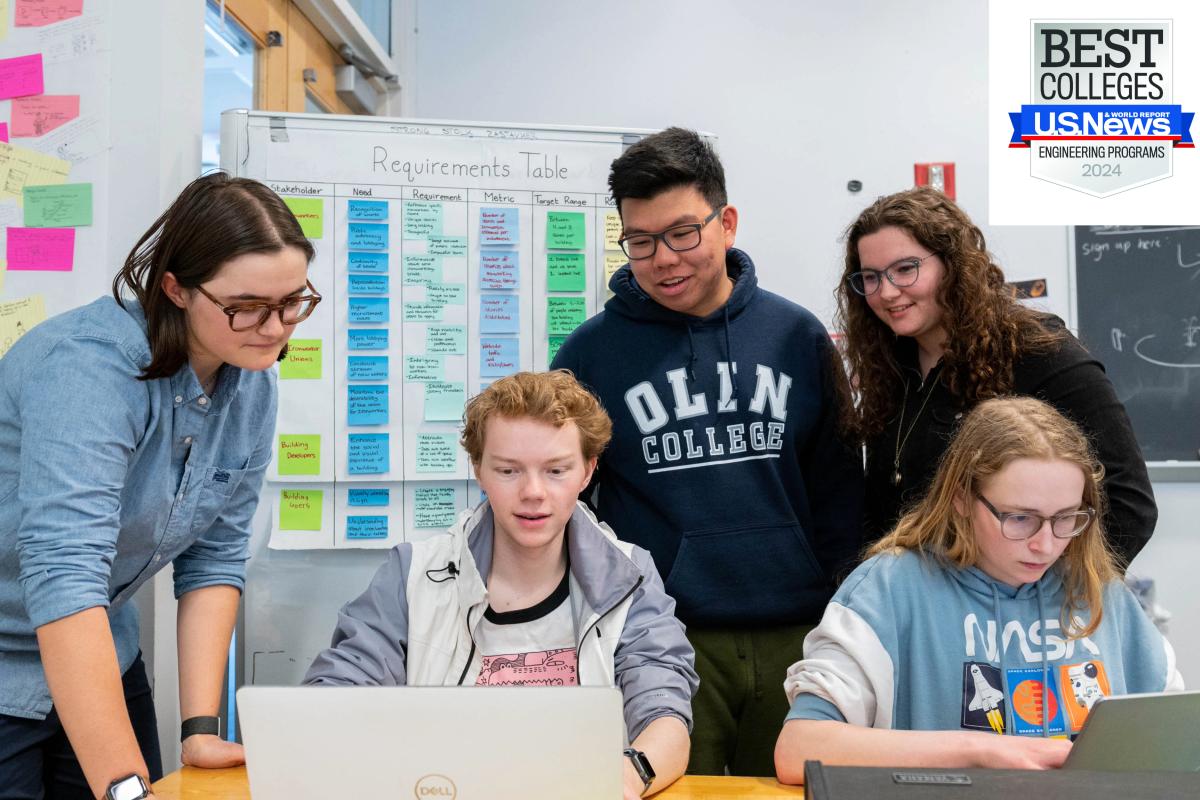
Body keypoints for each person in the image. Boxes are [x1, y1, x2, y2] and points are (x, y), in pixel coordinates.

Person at [550, 127, 863, 776]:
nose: (663, 258)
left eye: (682, 233)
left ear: (727, 223)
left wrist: (843, 615)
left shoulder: (796, 337)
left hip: (798, 635)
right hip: (658, 640)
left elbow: (838, 494)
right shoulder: (589, 356)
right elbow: (559, 504)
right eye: (640, 240)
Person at [0, 173, 319, 800]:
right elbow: (65, 571)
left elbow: (215, 559)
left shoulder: (250, 383)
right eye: (248, 306)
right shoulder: (87, 369)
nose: (276, 327)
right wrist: (124, 789)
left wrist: (199, 730)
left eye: (293, 302)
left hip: (101, 654)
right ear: (175, 288)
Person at [304, 370, 698, 800]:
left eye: (556, 470)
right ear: (479, 469)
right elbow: (338, 694)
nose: (533, 492)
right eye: (508, 470)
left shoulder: (630, 577)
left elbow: (665, 712)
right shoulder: (413, 573)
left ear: (587, 471)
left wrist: (627, 775)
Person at [774, 397, 1184, 781]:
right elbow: (797, 750)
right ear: (961, 500)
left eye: (1066, 518)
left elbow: (1177, 736)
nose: (1046, 544)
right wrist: (979, 750)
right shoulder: (889, 591)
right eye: (1020, 518)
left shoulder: (1098, 590)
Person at [836, 187, 1155, 565]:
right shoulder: (890, 365)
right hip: (917, 611)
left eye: (906, 269)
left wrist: (1043, 600)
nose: (887, 292)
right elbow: (882, 506)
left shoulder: (1039, 352)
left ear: (952, 266)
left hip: (1014, 616)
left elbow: (1128, 504)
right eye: (870, 277)